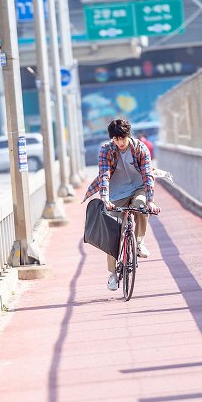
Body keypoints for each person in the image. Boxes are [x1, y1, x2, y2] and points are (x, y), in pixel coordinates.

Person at [83, 119, 160, 291]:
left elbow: (148, 175)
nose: (120, 143)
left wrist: (150, 200)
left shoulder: (140, 148)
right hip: (116, 192)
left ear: (128, 136)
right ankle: (112, 273)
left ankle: (139, 242)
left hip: (138, 187)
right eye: (116, 139)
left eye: (122, 139)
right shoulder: (106, 149)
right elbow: (103, 174)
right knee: (113, 233)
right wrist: (105, 198)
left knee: (141, 205)